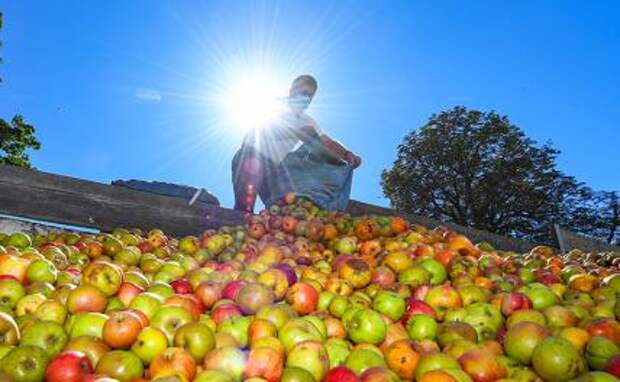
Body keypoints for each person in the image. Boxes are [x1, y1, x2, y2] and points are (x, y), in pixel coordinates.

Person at [232, 74, 362, 212]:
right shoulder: (272, 106)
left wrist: (346, 154)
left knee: (313, 142)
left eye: (309, 96)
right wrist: (293, 131)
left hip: (276, 172)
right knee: (249, 163)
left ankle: (291, 210)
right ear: (292, 90)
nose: (306, 98)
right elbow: (256, 133)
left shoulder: (306, 121)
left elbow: (326, 141)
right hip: (250, 161)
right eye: (303, 93)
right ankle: (242, 211)